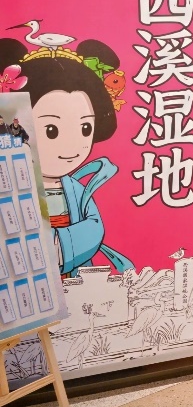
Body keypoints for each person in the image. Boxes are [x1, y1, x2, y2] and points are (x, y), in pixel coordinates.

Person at [0, 35, 134, 277]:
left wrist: (56, 247)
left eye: (85, 128)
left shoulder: (76, 189)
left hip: (69, 276)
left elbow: (94, 227)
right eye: (51, 130)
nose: (71, 146)